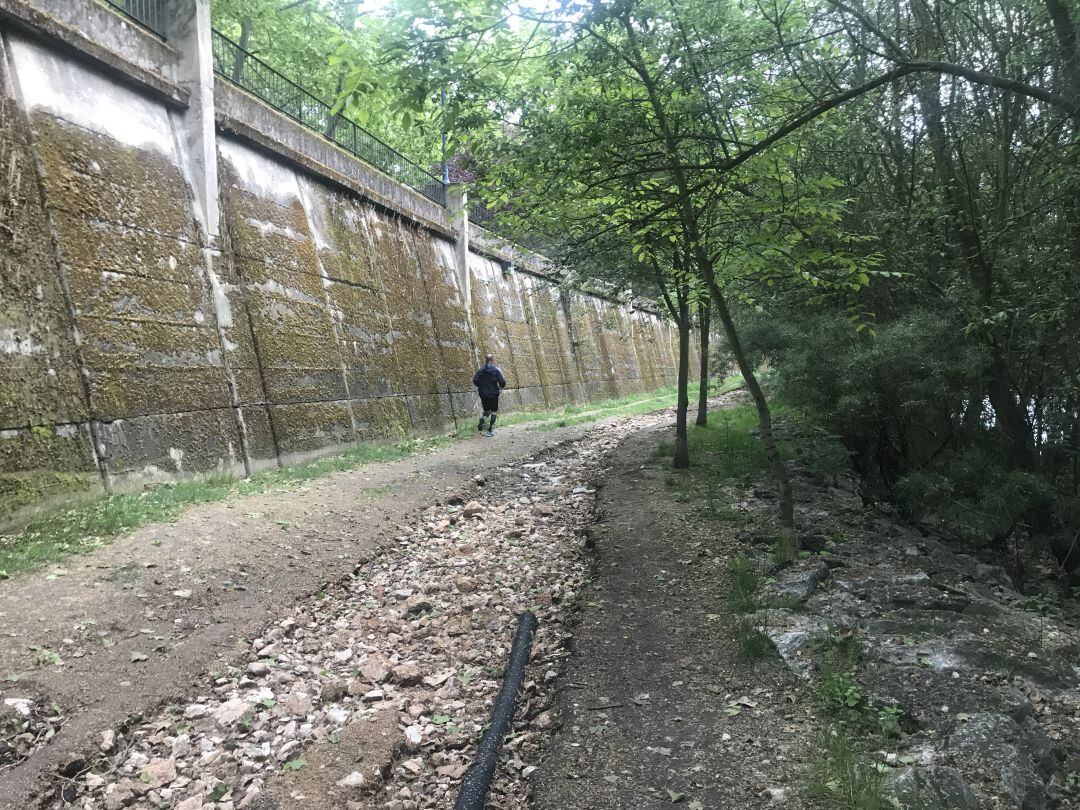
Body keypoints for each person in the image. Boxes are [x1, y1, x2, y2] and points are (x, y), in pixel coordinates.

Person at [473, 354, 507, 437]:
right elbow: (502, 383)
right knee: (493, 412)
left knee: (487, 411)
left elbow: (475, 381)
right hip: (493, 394)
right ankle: (489, 431)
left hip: (483, 394)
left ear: (486, 360)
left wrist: (482, 386)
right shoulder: (495, 370)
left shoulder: (480, 370)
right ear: (492, 360)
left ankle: (481, 425)